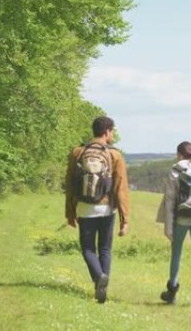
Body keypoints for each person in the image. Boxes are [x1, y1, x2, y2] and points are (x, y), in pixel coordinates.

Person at [65, 116, 130, 303]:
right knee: (105, 249)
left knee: (87, 249)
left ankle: (98, 278)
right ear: (107, 131)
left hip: (84, 207)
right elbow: (121, 188)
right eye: (113, 131)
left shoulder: (78, 152)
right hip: (106, 208)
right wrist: (125, 219)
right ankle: (103, 287)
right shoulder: (114, 155)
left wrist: (70, 212)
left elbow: (69, 183)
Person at [157, 141, 191, 306]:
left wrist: (168, 227)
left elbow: (170, 199)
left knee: (176, 254)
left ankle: (171, 292)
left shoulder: (176, 170)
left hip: (182, 218)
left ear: (179, 154)